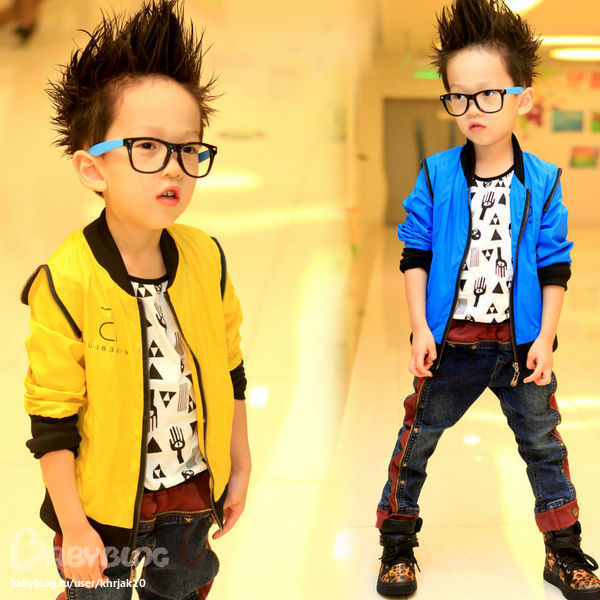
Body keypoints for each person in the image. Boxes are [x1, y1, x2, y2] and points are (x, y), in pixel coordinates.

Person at [21, 1, 251, 598]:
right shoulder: (67, 280)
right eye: (147, 147)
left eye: (189, 149)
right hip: (100, 507)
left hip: (190, 491)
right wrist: (74, 526)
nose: (174, 168)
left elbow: (230, 368)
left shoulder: (205, 258)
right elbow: (52, 419)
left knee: (184, 587)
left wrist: (239, 463)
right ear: (92, 169)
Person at [375, 0, 600, 598]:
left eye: (489, 94)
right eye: (459, 96)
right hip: (453, 342)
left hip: (520, 345)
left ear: (522, 98)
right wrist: (421, 328)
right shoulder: (436, 173)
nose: (472, 109)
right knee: (415, 441)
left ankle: (564, 552)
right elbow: (415, 252)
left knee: (544, 446)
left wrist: (545, 337)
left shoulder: (543, 179)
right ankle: (396, 545)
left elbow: (554, 265)